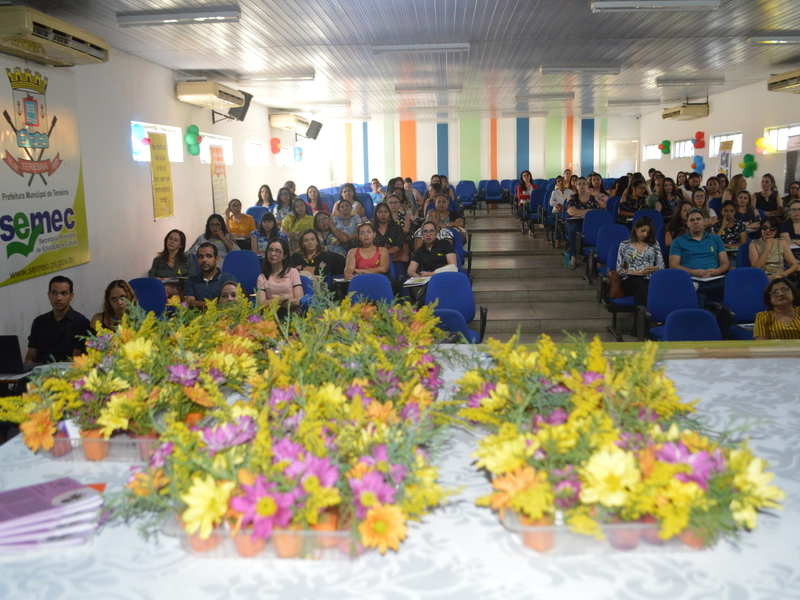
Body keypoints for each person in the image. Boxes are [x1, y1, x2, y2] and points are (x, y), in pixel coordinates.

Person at [669, 208, 730, 305]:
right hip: (691, 279)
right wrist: (693, 272)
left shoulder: (716, 239)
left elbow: (725, 262)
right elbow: (673, 265)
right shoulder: (678, 241)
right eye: (692, 220)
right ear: (687, 224)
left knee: (733, 283)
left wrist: (716, 271)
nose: (695, 222)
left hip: (715, 279)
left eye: (698, 219)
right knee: (692, 288)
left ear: (704, 221)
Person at [25, 276, 91, 363]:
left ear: (71, 296)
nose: (58, 298)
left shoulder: (81, 322)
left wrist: (54, 372)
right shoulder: (39, 322)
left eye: (64, 293)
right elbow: (31, 355)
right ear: (49, 295)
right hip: (39, 371)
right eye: (54, 293)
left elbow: (76, 358)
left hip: (67, 372)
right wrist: (29, 369)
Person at [616, 216, 665, 306]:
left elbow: (661, 266)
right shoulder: (625, 245)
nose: (645, 235)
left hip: (649, 279)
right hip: (629, 279)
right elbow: (619, 270)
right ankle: (646, 315)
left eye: (648, 232)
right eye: (643, 231)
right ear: (636, 229)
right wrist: (633, 272)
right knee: (640, 283)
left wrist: (655, 269)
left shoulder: (654, 244)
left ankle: (641, 315)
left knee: (642, 286)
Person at [565, 177, 604, 269]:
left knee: (600, 229)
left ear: (587, 185)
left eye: (584, 183)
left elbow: (597, 211)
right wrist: (589, 211)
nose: (582, 186)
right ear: (576, 185)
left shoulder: (592, 198)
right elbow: (572, 212)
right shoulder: (572, 198)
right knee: (573, 230)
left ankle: (599, 258)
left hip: (590, 223)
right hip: (575, 222)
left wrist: (581, 212)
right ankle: (573, 257)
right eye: (579, 184)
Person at [184, 242, 237, 309]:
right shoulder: (191, 280)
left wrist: (197, 303)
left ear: (217, 259)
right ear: (197, 260)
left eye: (209, 256)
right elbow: (189, 302)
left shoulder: (227, 278)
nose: (204, 260)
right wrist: (216, 304)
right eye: (201, 257)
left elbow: (228, 303)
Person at [255, 238, 303, 313]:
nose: (273, 253)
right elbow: (261, 304)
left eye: (277, 251)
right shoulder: (262, 277)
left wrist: (271, 303)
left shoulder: (293, 272)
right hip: (270, 313)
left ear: (284, 256)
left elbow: (298, 300)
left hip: (291, 312)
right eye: (270, 250)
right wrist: (283, 298)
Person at [148, 229, 196, 297]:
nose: (171, 242)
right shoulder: (157, 260)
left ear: (180, 245)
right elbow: (151, 279)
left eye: (175, 240)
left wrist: (171, 279)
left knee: (166, 289)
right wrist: (158, 280)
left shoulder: (187, 258)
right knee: (163, 289)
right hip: (162, 288)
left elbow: (193, 277)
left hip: (183, 289)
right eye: (170, 239)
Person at [749, 216, 799, 281]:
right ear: (760, 229)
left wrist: (785, 274)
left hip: (780, 274)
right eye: (764, 228)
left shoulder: (781, 242)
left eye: (772, 228)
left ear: (777, 230)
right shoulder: (754, 244)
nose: (767, 230)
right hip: (763, 275)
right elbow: (755, 268)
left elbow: (794, 265)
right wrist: (767, 248)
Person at [372, 202, 408, 270]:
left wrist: (383, 253)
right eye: (380, 212)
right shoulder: (371, 229)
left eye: (385, 212)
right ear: (375, 214)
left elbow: (398, 246)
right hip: (374, 260)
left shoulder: (397, 228)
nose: (383, 214)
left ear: (389, 213)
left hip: (394, 260)